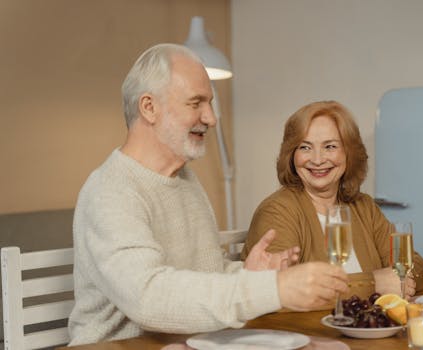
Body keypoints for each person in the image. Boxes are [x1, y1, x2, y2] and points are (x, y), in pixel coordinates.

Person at [68, 44, 349, 346]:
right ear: (149, 107)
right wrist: (273, 289)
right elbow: (148, 297)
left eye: (210, 103)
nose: (211, 118)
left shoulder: (185, 180)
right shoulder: (111, 191)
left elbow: (202, 276)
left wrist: (251, 275)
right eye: (196, 103)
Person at [241, 100, 423, 300]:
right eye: (305, 147)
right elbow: (282, 291)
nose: (317, 159)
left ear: (349, 153)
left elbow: (419, 268)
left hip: (368, 328)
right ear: (291, 155)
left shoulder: (363, 206)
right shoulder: (277, 211)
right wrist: (374, 283)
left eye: (330, 146)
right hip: (306, 331)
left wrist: (399, 280)